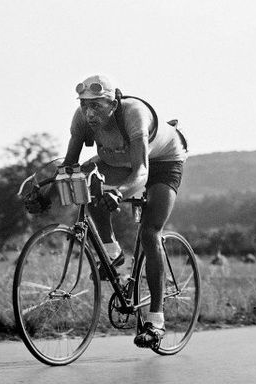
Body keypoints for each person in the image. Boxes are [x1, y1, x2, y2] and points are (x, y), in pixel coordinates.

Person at [26, 74, 187, 348]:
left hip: (161, 162)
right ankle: (112, 253)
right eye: (85, 105)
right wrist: (47, 195)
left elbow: (142, 172)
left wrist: (120, 192)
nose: (89, 113)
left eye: (96, 106)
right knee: (85, 182)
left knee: (149, 233)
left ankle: (156, 321)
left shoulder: (133, 115)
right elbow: (69, 167)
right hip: (117, 158)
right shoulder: (81, 119)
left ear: (113, 104)